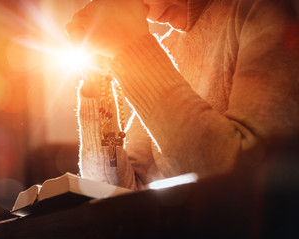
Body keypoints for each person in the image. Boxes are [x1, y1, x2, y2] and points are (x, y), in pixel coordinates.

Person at [66, 0, 299, 189]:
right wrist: (95, 80)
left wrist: (133, 50)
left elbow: (246, 174)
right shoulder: (169, 47)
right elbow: (115, 192)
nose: (144, 10)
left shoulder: (260, 11)